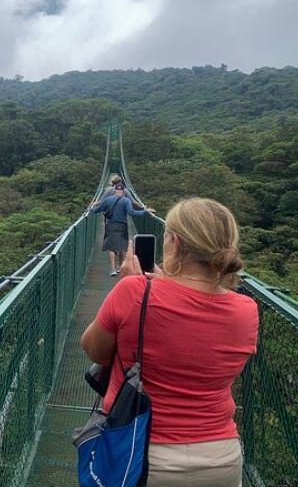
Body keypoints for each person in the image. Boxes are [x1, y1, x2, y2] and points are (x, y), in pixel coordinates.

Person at [80, 198, 259, 486]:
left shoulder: (135, 291)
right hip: (221, 459)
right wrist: (160, 287)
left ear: (174, 242)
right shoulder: (247, 310)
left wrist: (139, 288)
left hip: (142, 456)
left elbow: (95, 350)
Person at [91, 184, 152, 275]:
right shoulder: (126, 200)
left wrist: (91, 208)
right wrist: (144, 211)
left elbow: (97, 210)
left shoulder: (108, 199)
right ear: (123, 192)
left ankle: (112, 269)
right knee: (122, 246)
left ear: (114, 191)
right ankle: (122, 267)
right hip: (122, 226)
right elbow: (132, 213)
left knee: (111, 247)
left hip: (110, 225)